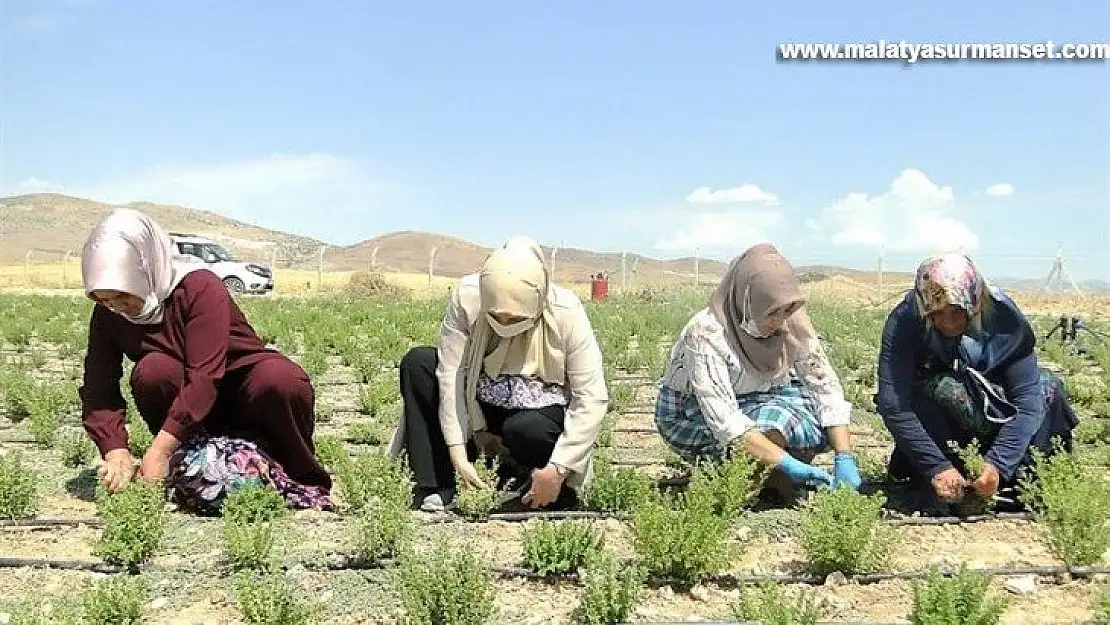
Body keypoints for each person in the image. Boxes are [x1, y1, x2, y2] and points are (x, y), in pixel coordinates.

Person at [78, 208, 332, 514]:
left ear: (146, 270)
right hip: (188, 412)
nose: (117, 308)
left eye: (122, 297)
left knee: (281, 379)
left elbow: (204, 377)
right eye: (104, 300)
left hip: (243, 393)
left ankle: (293, 472)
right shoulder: (109, 314)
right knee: (153, 371)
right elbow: (98, 386)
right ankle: (192, 466)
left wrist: (158, 450)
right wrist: (115, 450)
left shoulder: (198, 286)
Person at [389, 236, 609, 512]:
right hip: (478, 403)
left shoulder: (566, 311)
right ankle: (440, 482)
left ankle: (544, 485)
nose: (504, 325)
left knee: (527, 431)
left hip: (535, 412)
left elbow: (591, 397)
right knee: (419, 363)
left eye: (516, 319)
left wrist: (558, 468)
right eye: (495, 316)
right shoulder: (469, 297)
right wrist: (457, 453)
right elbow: (451, 375)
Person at [875, 253, 1079, 512]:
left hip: (994, 413)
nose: (947, 323)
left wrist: (998, 463)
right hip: (942, 425)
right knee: (934, 389)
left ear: (973, 303)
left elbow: (1027, 402)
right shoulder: (905, 320)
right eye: (936, 314)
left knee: (1048, 388)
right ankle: (940, 478)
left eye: (957, 311)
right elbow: (894, 404)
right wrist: (936, 466)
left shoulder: (1005, 317)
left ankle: (1019, 481)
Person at [654, 243, 863, 494]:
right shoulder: (706, 333)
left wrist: (844, 456)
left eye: (787, 310)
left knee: (811, 418)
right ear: (747, 301)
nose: (780, 321)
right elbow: (724, 420)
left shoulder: (792, 322)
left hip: (768, 396)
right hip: (695, 410)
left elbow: (824, 387)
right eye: (772, 312)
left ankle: (768, 466)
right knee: (766, 431)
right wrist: (789, 464)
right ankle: (763, 470)